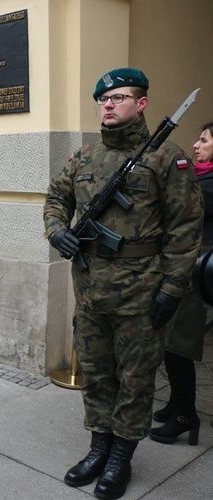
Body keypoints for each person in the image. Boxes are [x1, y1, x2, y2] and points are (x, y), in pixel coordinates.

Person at [43, 68, 203, 499]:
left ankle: (121, 458)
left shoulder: (168, 158)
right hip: (91, 291)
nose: (108, 105)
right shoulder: (84, 157)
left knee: (135, 379)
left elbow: (186, 228)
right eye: (103, 99)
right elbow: (56, 197)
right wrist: (57, 229)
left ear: (142, 103)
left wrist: (172, 288)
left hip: (140, 291)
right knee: (97, 374)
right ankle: (99, 448)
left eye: (119, 97)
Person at [150, 121, 213, 446]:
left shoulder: (207, 184)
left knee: (179, 344)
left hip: (193, 269)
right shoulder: (199, 177)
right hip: (182, 265)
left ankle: (185, 415)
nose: (197, 144)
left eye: (204, 140)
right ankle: (177, 403)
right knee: (172, 341)